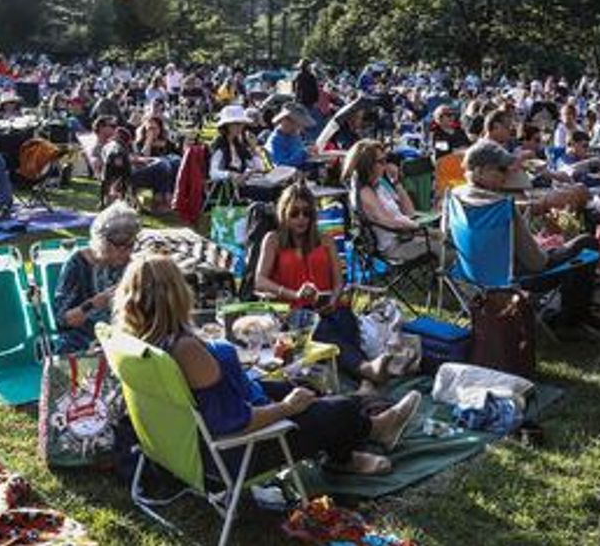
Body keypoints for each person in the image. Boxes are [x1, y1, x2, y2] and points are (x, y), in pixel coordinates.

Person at [114, 252, 421, 475]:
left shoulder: (138, 342)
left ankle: (349, 441)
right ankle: (371, 432)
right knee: (336, 408)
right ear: (176, 295)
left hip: (187, 443)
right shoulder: (186, 350)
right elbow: (233, 424)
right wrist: (287, 408)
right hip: (237, 454)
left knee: (307, 387)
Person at [255, 184, 396, 384]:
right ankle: (366, 371)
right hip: (293, 312)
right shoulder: (273, 240)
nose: (301, 218)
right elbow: (259, 281)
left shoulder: (326, 240)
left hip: (329, 306)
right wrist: (293, 294)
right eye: (294, 213)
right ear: (283, 214)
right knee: (320, 328)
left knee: (344, 320)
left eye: (306, 213)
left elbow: (339, 281)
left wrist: (334, 297)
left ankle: (365, 378)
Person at [445, 141, 594, 323]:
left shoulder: (455, 195)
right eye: (501, 170)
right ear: (480, 171)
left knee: (555, 242)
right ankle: (571, 319)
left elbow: (448, 237)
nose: (507, 175)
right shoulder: (502, 207)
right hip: (512, 278)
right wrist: (547, 248)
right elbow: (537, 263)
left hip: (470, 273)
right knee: (586, 243)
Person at [52, 201, 139, 352]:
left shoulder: (134, 262)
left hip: (127, 335)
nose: (126, 252)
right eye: (119, 246)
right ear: (102, 241)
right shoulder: (78, 264)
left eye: (130, 245)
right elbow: (62, 320)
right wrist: (96, 303)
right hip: (84, 338)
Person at [342, 139, 442, 263]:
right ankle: (450, 280)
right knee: (445, 249)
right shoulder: (364, 193)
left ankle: (444, 279)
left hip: (405, 236)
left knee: (449, 240)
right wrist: (420, 229)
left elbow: (409, 212)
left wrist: (396, 182)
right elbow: (387, 221)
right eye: (381, 161)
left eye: (386, 160)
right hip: (394, 246)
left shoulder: (379, 184)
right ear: (367, 165)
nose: (386, 165)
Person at [267, 105, 314, 170]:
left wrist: (307, 147)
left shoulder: (293, 135)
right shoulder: (275, 141)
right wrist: (304, 153)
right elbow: (281, 165)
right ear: (285, 121)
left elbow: (296, 149)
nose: (299, 128)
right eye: (297, 124)